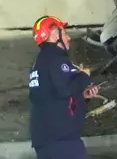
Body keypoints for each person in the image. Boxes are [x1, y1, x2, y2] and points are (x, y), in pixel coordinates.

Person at [29, 15, 99, 159]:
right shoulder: (56, 59)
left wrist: (82, 96)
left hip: (45, 140)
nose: (69, 38)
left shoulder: (40, 62)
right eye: (65, 33)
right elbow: (65, 89)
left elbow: (54, 95)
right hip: (62, 142)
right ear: (55, 35)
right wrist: (84, 75)